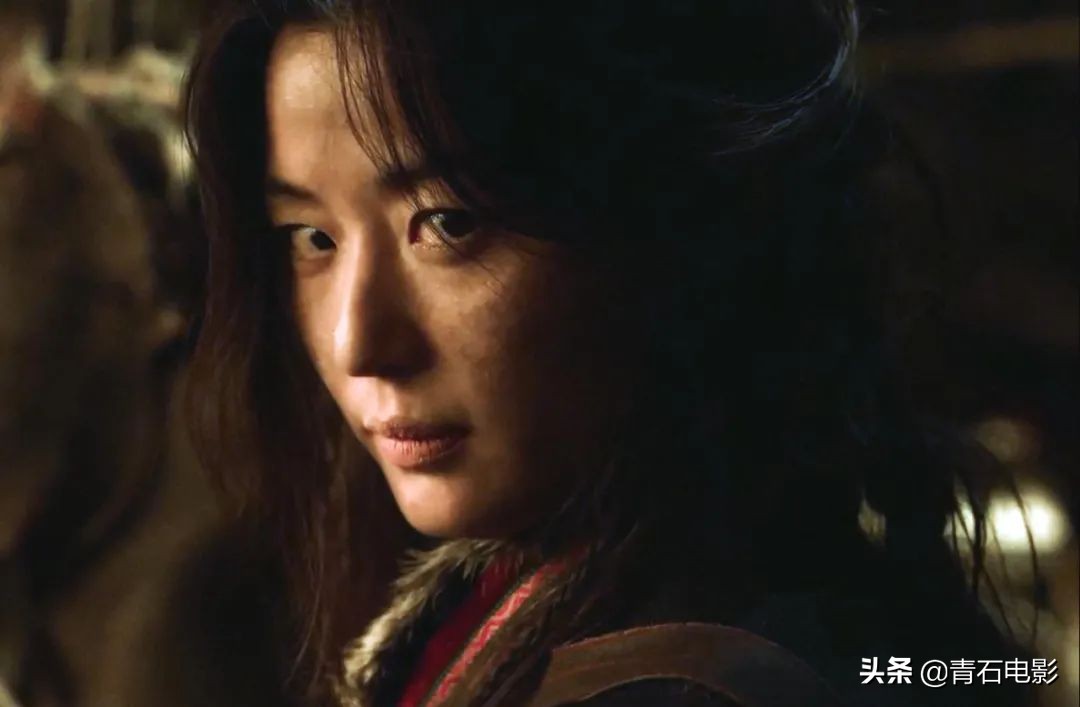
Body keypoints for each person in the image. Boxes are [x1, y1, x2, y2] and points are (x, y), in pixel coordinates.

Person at [183, 1, 1033, 705]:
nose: (357, 341)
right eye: (312, 236)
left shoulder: (710, 673)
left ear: (676, 226)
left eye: (449, 223)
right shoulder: (514, 605)